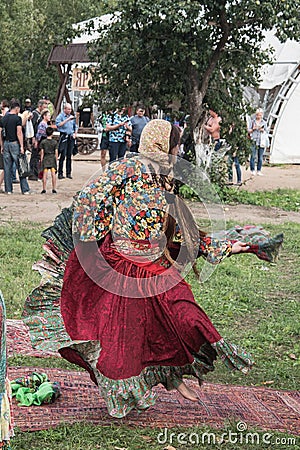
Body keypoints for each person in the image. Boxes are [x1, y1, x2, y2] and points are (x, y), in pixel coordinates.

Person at [24, 119, 275, 418]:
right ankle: (166, 377)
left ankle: (173, 376)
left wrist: (225, 246)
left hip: (143, 265)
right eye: (175, 146)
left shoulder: (152, 175)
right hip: (124, 267)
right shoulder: (139, 178)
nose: (177, 151)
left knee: (170, 318)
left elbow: (178, 230)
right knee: (142, 332)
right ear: (161, 148)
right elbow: (96, 205)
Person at [0, 100, 30, 195]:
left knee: (7, 167)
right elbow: (19, 132)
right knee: (20, 166)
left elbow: (0, 133)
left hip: (6, 143)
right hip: (14, 143)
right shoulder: (17, 119)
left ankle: (8, 189)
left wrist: (1, 145)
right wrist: (21, 146)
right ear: (17, 108)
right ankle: (24, 189)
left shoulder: (4, 119)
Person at [55, 103, 78, 179]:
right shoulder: (61, 116)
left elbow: (75, 126)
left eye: (70, 109)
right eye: (68, 109)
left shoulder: (72, 117)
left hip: (71, 137)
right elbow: (58, 125)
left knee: (69, 155)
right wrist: (67, 120)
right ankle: (60, 173)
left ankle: (68, 173)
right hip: (64, 136)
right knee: (62, 155)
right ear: (64, 109)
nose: (69, 111)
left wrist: (75, 133)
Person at [248, 108, 268, 176]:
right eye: (257, 115)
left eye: (259, 115)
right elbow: (249, 130)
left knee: (260, 156)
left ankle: (259, 170)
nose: (258, 116)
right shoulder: (252, 121)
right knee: (253, 156)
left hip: (261, 140)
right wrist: (253, 129)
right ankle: (252, 169)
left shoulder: (264, 122)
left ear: (262, 115)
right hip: (254, 139)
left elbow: (266, 131)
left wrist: (262, 130)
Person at [39, 126, 58, 194]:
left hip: (46, 158)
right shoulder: (55, 142)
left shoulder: (43, 142)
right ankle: (54, 188)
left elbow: (42, 152)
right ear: (52, 133)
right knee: (53, 174)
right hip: (52, 157)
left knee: (45, 174)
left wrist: (41, 160)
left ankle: (44, 188)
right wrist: (56, 159)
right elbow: (56, 152)